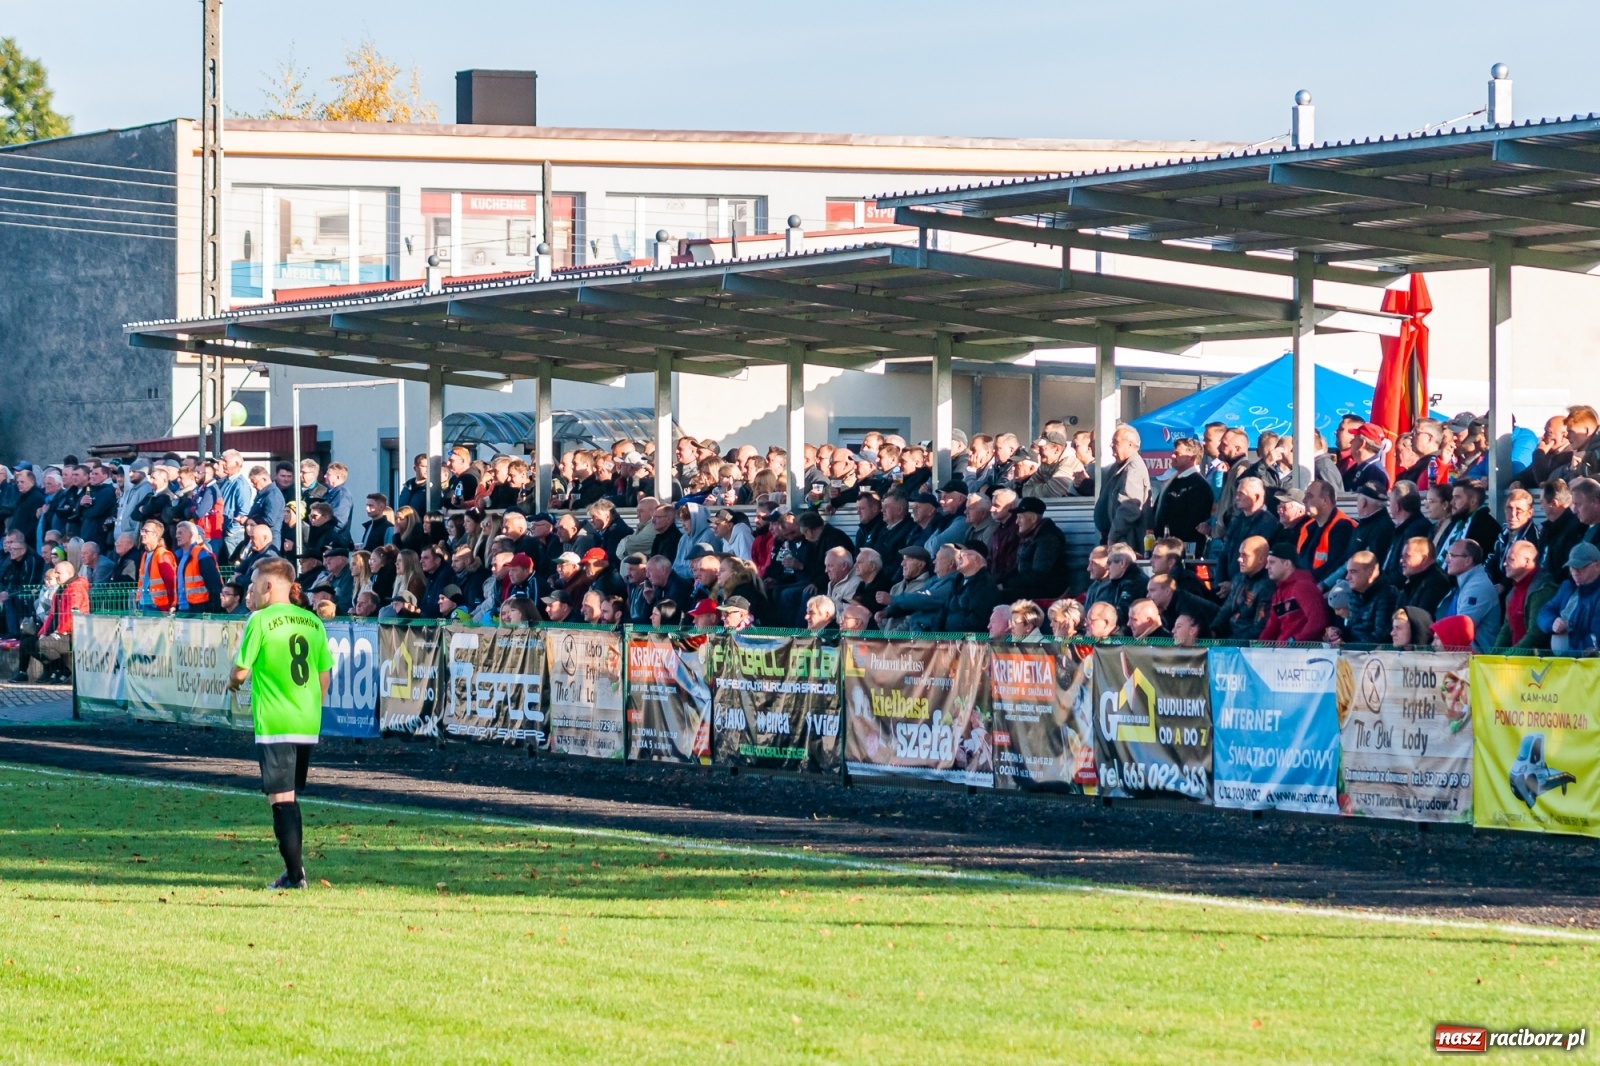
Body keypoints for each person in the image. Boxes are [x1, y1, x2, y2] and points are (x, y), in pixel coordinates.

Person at [227, 558, 332, 891]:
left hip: (276, 720)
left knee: (281, 799)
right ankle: (294, 871)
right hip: (307, 720)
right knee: (290, 796)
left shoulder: (259, 619)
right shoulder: (313, 622)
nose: (252, 591)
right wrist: (311, 706)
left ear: (269, 586)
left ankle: (295, 876)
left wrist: (233, 683)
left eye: (255, 584)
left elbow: (241, 670)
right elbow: (324, 677)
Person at [1435, 539, 1500, 653]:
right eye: (1447, 555)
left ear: (1468, 560)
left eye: (1452, 556)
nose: (1447, 560)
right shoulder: (1466, 582)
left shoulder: (1478, 586)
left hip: (1477, 661)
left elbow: (1460, 628)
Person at [998, 496, 1069, 601]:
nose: (1016, 522)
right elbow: (1017, 567)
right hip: (1029, 586)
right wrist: (999, 580)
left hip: (1046, 590)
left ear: (1033, 519)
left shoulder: (1047, 539)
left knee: (1000, 596)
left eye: (1020, 517)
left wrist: (1006, 584)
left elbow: (1038, 576)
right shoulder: (1029, 536)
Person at [1258, 541, 1329, 643]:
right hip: (1284, 652)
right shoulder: (1278, 592)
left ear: (1287, 564)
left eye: (1272, 562)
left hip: (1301, 653)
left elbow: (1317, 622)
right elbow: (1272, 627)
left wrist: (1294, 641)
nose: (1267, 567)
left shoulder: (1304, 586)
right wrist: (1258, 647)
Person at [1537, 541, 1600, 654]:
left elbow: (1595, 638)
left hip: (1584, 665)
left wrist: (1569, 630)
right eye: (1572, 567)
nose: (1575, 572)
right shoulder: (1567, 586)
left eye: (1581, 567)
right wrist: (1553, 622)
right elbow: (1544, 611)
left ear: (1597, 565)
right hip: (1566, 663)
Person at [1150, 437, 1213, 549]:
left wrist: (1181, 549)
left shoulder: (1197, 485)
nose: (1172, 456)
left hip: (1181, 551)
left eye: (1177, 454)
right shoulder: (1173, 480)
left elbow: (1195, 523)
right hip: (1165, 547)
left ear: (1192, 458)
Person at [1093, 425, 1150, 547]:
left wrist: (1113, 536)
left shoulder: (1133, 468)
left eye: (1115, 442)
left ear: (1130, 444)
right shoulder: (1119, 466)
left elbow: (1129, 508)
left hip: (1125, 541)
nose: (1111, 445)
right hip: (1114, 538)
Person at [1493, 540, 1556, 650]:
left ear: (1527, 561)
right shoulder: (1512, 592)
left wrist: (1508, 657)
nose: (1504, 563)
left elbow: (1535, 635)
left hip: (1536, 663)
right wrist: (1492, 656)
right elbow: (1506, 629)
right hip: (1517, 660)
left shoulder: (1542, 589)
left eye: (1510, 559)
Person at [1296, 480, 1356, 584]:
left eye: (1309, 496)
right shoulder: (1308, 526)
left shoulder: (1342, 527)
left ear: (1325, 501)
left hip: (1322, 588)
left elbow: (1334, 567)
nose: (1304, 500)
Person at [173, 521, 224, 614]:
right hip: (182, 608)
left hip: (200, 609)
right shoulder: (178, 556)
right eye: (176, 533)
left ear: (191, 534)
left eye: (180, 533)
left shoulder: (202, 555)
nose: (177, 536)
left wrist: (213, 610)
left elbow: (214, 585)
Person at [135, 520, 178, 615]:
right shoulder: (145, 555)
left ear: (156, 535)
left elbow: (171, 583)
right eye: (142, 531)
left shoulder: (163, 554)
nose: (142, 534)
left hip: (158, 606)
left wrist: (172, 605)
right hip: (143, 604)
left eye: (146, 531)